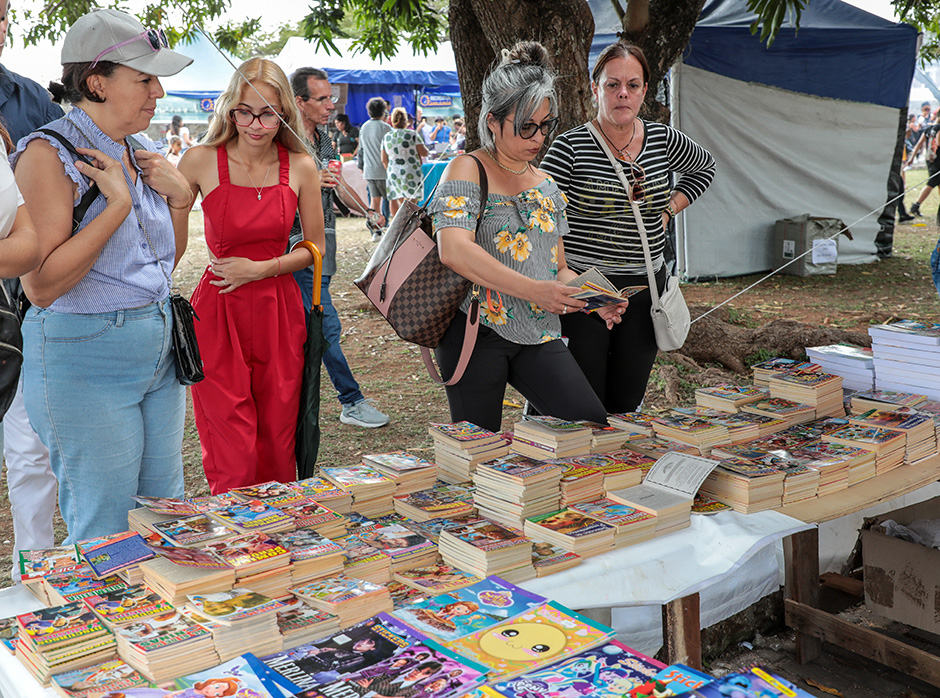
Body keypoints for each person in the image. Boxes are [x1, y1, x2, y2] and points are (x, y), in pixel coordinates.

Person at [12, 8, 194, 542]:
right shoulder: (48, 154)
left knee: (165, 514)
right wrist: (115, 206)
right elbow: (40, 285)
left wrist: (181, 201)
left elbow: (159, 265)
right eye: (144, 78)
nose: (158, 90)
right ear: (96, 82)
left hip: (157, 345)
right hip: (85, 352)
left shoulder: (141, 152)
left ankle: (158, 625)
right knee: (106, 529)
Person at [429, 41, 609, 433]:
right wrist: (534, 290)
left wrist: (593, 299)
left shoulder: (546, 182)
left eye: (546, 126)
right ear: (493, 121)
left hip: (539, 330)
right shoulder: (465, 169)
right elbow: (454, 250)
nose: (538, 137)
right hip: (474, 330)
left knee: (588, 424)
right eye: (526, 126)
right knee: (477, 446)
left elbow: (557, 269)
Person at [540, 42, 714, 413]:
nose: (623, 93)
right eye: (612, 84)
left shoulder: (663, 140)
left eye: (633, 85)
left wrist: (669, 208)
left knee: (625, 402)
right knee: (581, 402)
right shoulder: (569, 147)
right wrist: (572, 281)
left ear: (644, 91)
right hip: (586, 293)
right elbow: (545, 217)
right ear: (594, 88)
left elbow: (705, 168)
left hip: (645, 291)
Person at [177, 57, 326, 493]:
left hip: (279, 309)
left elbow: (315, 247)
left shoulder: (301, 166)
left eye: (267, 113)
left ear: (284, 113)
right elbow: (167, 238)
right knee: (230, 441)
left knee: (278, 437)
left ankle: (276, 541)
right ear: (229, 109)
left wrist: (263, 268)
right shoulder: (200, 160)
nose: (255, 124)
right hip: (218, 309)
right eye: (244, 111)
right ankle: (235, 541)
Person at [290, 67, 391, 429]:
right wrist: (306, 181)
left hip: (325, 243)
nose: (330, 105)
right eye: (321, 98)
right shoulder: (282, 139)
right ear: (298, 101)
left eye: (330, 97)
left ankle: (297, 403)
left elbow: (333, 187)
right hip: (296, 247)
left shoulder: (327, 138)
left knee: (309, 327)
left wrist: (369, 212)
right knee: (325, 324)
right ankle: (351, 400)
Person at [0, 0, 62, 581]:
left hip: (15, 310)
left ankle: (34, 580)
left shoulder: (28, 100)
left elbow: (30, 240)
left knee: (28, 454)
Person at [382, 106, 428, 217]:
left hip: (393, 171)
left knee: (395, 199)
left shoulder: (387, 137)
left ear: (392, 121)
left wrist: (390, 169)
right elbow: (424, 153)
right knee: (411, 201)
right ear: (406, 121)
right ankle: (409, 224)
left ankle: (396, 225)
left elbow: (383, 159)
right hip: (411, 171)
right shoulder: (412, 135)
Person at [358, 97, 391, 239]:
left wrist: (361, 166)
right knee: (390, 200)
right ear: (383, 111)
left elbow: (361, 150)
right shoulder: (386, 128)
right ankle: (389, 228)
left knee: (375, 202)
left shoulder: (364, 127)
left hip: (369, 170)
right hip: (384, 171)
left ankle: (376, 231)